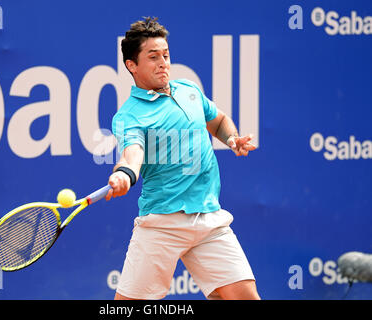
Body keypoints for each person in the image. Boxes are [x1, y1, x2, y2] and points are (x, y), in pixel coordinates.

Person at [104, 17, 260, 300]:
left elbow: (219, 120)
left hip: (209, 218)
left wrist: (232, 139)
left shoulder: (189, 90)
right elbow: (133, 153)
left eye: (165, 55)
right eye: (153, 57)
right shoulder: (129, 116)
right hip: (162, 222)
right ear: (132, 66)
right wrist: (124, 174)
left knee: (246, 296)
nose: (163, 62)